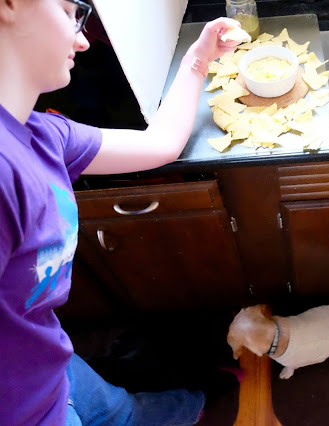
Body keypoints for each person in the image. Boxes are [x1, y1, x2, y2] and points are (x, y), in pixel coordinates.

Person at [0, 0, 242, 424]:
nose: (82, 39)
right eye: (69, 11)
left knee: (120, 411)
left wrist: (199, 59)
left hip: (46, 358)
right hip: (24, 410)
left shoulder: (42, 134)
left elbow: (160, 144)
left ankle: (188, 408)